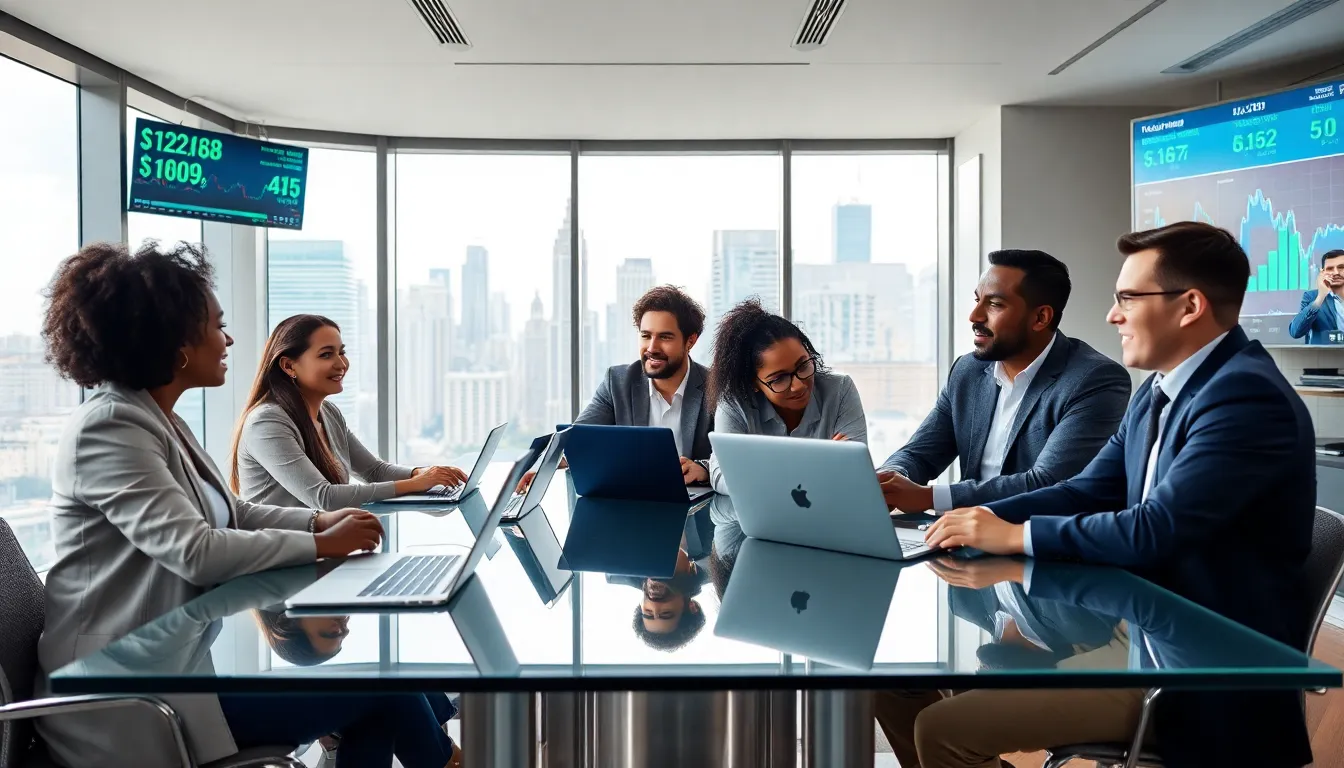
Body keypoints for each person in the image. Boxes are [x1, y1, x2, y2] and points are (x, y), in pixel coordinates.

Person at [887, 222, 1315, 768]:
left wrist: (1013, 535)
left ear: (1189, 306)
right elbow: (1084, 490)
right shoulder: (1161, 389)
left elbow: (1155, 529)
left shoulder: (1245, 397)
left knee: (943, 729)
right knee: (904, 685)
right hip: (1137, 630)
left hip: (1191, 667)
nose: (1113, 315)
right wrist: (978, 519)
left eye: (1128, 298)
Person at [34, 241, 461, 768]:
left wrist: (318, 520)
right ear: (174, 338)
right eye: (217, 326)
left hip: (172, 672)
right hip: (121, 700)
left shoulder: (159, 420)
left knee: (387, 696)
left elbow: (233, 512)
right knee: (386, 692)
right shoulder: (111, 427)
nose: (229, 339)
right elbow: (195, 552)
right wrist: (320, 543)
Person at [878, 249, 1130, 513]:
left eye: (995, 304)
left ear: (1040, 318)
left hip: (1034, 534)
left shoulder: (1094, 380)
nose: (975, 316)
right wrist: (888, 479)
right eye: (977, 300)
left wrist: (931, 497)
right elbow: (920, 454)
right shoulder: (968, 370)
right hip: (962, 531)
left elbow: (1049, 483)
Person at [232, 314, 467, 509]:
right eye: (326, 354)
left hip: (320, 541)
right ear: (288, 366)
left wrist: (423, 473)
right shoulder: (267, 422)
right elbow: (324, 498)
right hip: (280, 548)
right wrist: (416, 484)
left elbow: (374, 471)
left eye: (341, 352)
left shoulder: (329, 413)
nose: (341, 364)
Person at [517, 285, 713, 491]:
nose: (652, 348)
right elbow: (580, 440)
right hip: (629, 501)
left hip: (696, 505)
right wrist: (544, 467)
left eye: (665, 337)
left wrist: (703, 468)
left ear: (690, 341)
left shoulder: (717, 387)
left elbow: (733, 457)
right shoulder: (617, 382)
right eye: (646, 336)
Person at [706, 298, 867, 494]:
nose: (798, 385)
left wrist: (760, 472)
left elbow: (854, 470)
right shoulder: (734, 403)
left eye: (803, 365)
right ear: (753, 383)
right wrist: (822, 463)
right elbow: (722, 475)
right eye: (779, 378)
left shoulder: (840, 389)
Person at [1288, 248, 1344, 344]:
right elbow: (1295, 332)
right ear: (1322, 272)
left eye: (1341, 267)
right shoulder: (1312, 297)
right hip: (1326, 353)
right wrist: (1320, 297)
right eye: (1330, 268)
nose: (1336, 273)